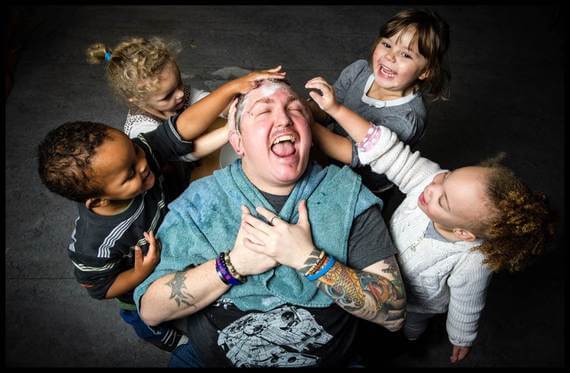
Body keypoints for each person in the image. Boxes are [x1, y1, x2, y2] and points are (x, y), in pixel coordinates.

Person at [133, 79, 407, 367]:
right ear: (237, 142)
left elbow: (393, 313)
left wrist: (309, 259)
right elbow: (151, 311)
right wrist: (232, 265)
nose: (284, 120)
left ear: (310, 135)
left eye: (295, 110)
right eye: (264, 112)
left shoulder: (346, 195)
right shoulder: (199, 204)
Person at [305, 76, 555, 363]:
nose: (432, 189)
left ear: (463, 233)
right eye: (447, 177)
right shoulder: (429, 180)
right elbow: (388, 151)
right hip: (376, 266)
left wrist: (461, 337)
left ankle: (411, 340)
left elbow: (467, 304)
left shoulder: (474, 261)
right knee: (362, 310)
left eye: (443, 200)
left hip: (418, 303)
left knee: (407, 326)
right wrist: (336, 109)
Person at [36, 67, 286, 352]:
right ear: (99, 201)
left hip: (171, 237)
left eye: (136, 152)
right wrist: (140, 274)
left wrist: (232, 88)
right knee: (150, 321)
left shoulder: (138, 154)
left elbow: (180, 128)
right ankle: (166, 339)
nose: (143, 164)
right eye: (130, 173)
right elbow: (99, 288)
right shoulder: (95, 242)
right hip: (140, 285)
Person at [308, 8, 450, 195]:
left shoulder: (407, 118)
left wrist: (305, 122)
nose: (390, 56)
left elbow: (352, 154)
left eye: (406, 54)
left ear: (426, 72)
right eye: (387, 44)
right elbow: (326, 112)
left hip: (364, 186)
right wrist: (300, 106)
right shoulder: (359, 71)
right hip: (329, 161)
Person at [86, 36, 230, 201]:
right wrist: (229, 130)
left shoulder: (178, 94)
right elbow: (185, 154)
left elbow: (208, 101)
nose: (180, 93)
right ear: (137, 99)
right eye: (168, 95)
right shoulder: (141, 126)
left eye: (179, 83)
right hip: (171, 175)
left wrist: (234, 105)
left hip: (196, 152)